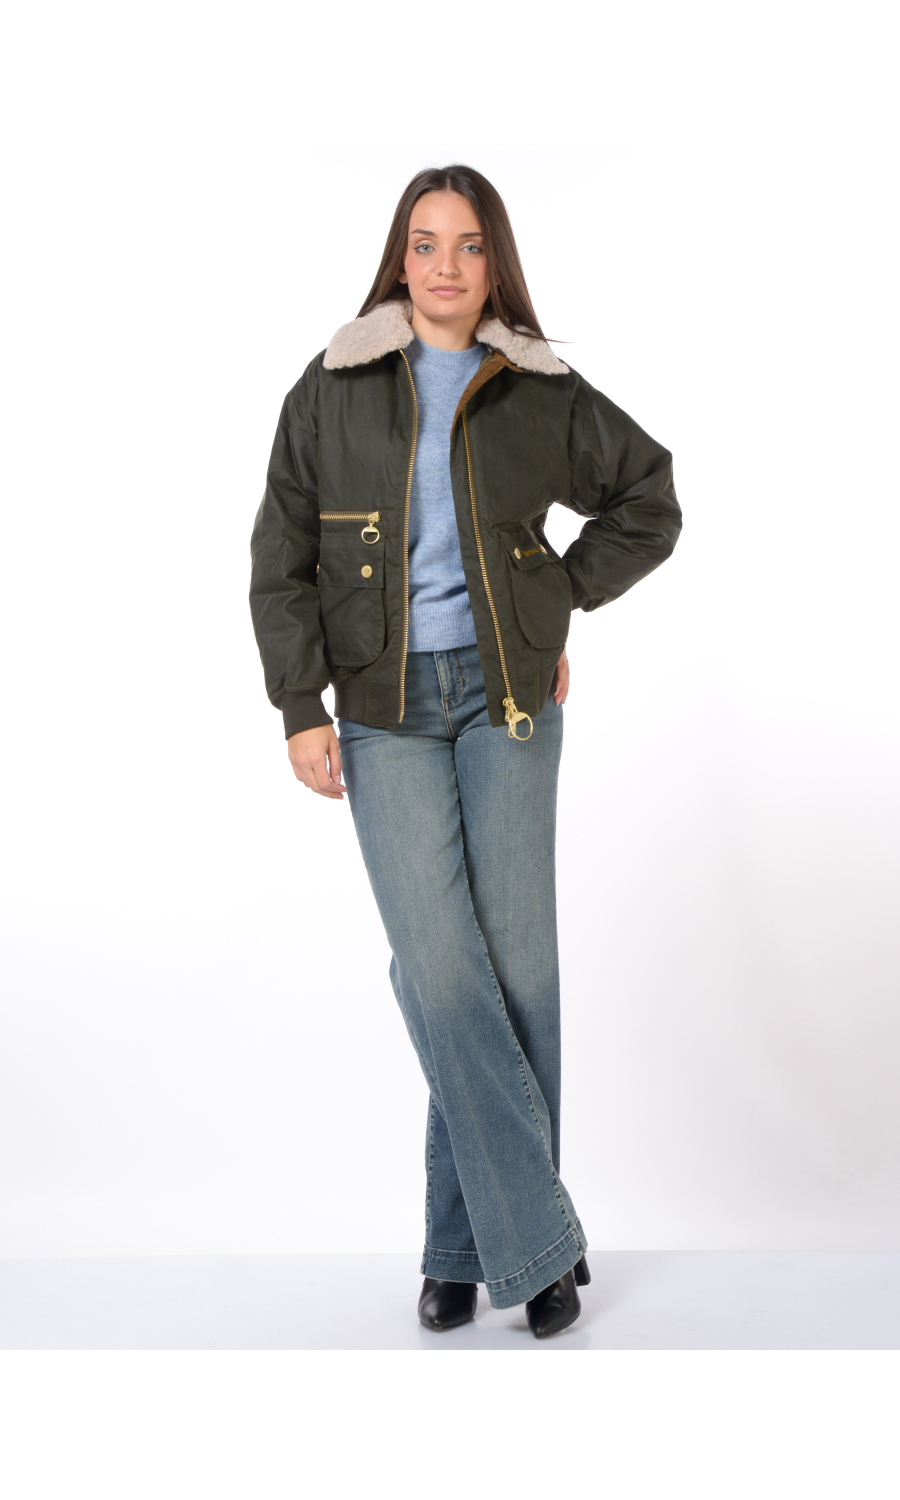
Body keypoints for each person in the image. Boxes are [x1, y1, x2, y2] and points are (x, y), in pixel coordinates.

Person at [249, 164, 682, 1339]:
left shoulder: (539, 389)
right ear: (399, 259)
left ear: (496, 264)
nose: (447, 265)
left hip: (509, 701)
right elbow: (281, 551)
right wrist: (299, 705)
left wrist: (553, 603)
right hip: (382, 708)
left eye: (471, 244)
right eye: (426, 243)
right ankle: (538, 1246)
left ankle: (457, 1251)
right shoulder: (334, 384)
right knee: (442, 973)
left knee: (517, 973)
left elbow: (650, 496)